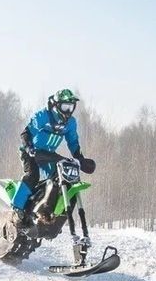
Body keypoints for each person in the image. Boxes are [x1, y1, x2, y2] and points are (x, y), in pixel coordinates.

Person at [11, 88, 94, 227]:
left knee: (60, 178)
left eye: (71, 107)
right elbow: (26, 133)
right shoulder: (43, 115)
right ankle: (17, 209)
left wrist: (80, 158)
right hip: (31, 152)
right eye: (64, 107)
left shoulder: (71, 123)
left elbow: (73, 142)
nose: (68, 111)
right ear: (56, 105)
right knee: (32, 175)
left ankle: (47, 212)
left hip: (49, 155)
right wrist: (29, 147)